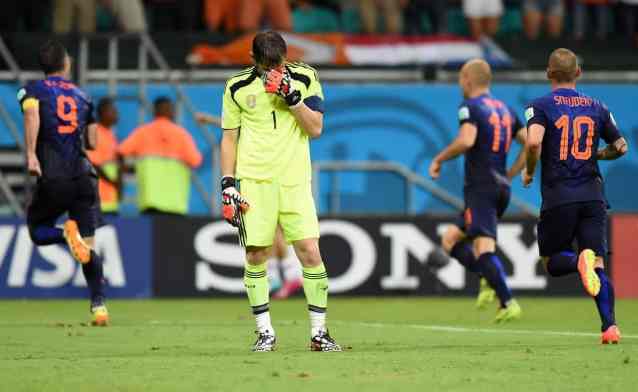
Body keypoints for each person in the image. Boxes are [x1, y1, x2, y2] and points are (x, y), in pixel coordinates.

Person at [220, 31, 340, 352]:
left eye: (278, 64)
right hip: (254, 182)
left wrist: (293, 99)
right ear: (252, 59)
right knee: (256, 254)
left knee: (310, 252)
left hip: (294, 181)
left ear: (286, 57)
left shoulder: (305, 77)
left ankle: (319, 333)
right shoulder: (237, 87)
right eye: (266, 65)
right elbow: (229, 138)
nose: (272, 70)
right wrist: (228, 183)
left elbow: (315, 128)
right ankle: (265, 333)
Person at [523, 48, 628, 344]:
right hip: (593, 196)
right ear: (578, 73)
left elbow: (533, 144)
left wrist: (530, 171)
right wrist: (598, 155)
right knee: (597, 265)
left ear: (548, 73)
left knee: (553, 261)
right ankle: (610, 327)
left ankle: (576, 262)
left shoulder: (539, 106)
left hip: (560, 195)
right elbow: (621, 147)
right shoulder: (598, 106)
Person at [18, 40, 108, 326]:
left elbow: (32, 114)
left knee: (37, 230)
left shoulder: (32, 91)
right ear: (66, 64)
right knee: (89, 248)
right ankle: (99, 307)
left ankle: (66, 237)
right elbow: (93, 142)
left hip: (54, 176)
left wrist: (32, 155)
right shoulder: (84, 96)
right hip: (84, 177)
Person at [429, 59, 526, 322]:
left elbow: (466, 140)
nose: (460, 84)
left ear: (467, 79)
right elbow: (531, 143)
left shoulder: (470, 107)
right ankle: (488, 278)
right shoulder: (507, 110)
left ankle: (508, 301)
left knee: (484, 250)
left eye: (461, 79)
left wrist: (439, 159)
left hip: (482, 188)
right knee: (450, 240)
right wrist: (516, 172)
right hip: (499, 188)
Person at [118, 97, 203, 215]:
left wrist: (131, 170)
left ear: (154, 111)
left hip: (150, 201)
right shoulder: (181, 134)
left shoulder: (143, 132)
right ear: (171, 111)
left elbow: (121, 152)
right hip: (176, 202)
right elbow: (196, 161)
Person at [87, 97, 120, 215]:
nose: (117, 114)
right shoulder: (96, 134)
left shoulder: (110, 135)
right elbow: (92, 163)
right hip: (99, 199)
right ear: (102, 113)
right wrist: (113, 182)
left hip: (110, 200)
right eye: (112, 111)